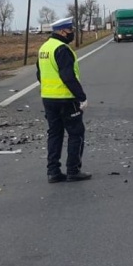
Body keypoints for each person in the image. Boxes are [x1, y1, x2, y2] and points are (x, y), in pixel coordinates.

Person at [36, 17, 91, 183]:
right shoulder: (62, 49)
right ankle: (73, 170)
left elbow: (39, 74)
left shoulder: (44, 48)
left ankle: (53, 172)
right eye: (70, 30)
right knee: (76, 134)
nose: (72, 33)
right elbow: (68, 76)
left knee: (55, 134)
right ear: (61, 31)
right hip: (66, 99)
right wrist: (81, 97)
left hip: (48, 99)